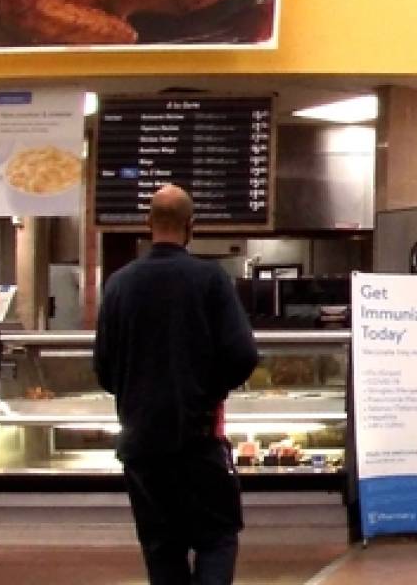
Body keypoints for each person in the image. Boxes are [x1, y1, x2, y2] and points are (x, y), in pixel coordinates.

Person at [94, 184, 259, 585]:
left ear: (147, 223)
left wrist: (138, 395)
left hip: (141, 442)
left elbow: (102, 369)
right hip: (198, 440)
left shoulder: (118, 284)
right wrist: (209, 390)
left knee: (161, 546)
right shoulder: (210, 280)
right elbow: (243, 356)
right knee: (216, 537)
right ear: (191, 226)